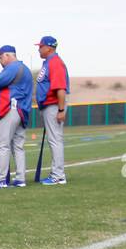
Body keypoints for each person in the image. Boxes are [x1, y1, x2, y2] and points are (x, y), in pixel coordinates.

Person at [0, 45, 33, 189]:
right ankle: (20, 178)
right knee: (18, 146)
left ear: (7, 55)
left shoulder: (13, 67)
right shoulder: (25, 69)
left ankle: (1, 179)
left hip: (12, 109)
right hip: (22, 110)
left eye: (0, 58)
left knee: (3, 145)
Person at [35, 36, 70, 185]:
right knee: (54, 140)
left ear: (49, 47)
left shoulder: (55, 62)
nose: (39, 49)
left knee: (55, 140)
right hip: (49, 106)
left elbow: (61, 89)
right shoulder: (49, 62)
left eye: (41, 46)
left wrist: (61, 110)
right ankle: (56, 173)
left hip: (54, 105)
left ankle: (58, 175)